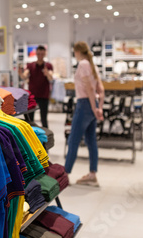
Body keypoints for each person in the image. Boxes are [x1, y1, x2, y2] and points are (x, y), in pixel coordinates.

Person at [64, 41, 104, 187]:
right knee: (91, 140)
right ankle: (92, 174)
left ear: (77, 51)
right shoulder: (92, 65)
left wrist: (94, 108)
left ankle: (65, 174)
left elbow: (89, 89)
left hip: (85, 104)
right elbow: (101, 89)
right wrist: (99, 108)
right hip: (91, 105)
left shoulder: (83, 64)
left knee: (73, 140)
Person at [19, 45, 53, 127]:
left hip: (44, 95)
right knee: (30, 119)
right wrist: (20, 73)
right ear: (36, 54)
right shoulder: (31, 65)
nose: (40, 56)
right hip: (33, 95)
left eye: (42, 54)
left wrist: (47, 73)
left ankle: (46, 138)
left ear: (45, 54)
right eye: (39, 54)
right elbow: (24, 76)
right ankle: (31, 136)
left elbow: (51, 78)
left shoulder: (48, 66)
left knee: (44, 119)